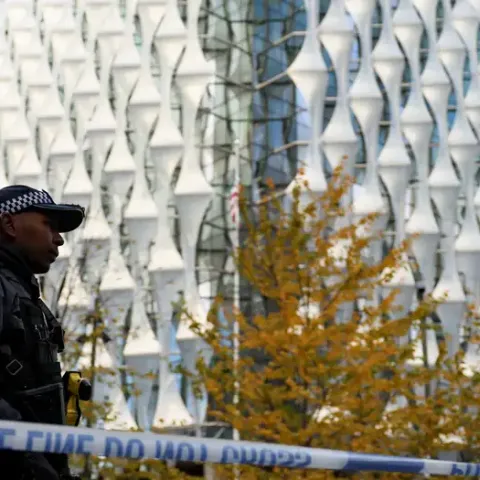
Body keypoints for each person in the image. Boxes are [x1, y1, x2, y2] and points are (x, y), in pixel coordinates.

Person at [0, 185, 86, 479]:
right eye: (49, 225)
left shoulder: (20, 290)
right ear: (9, 224)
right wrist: (36, 470)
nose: (59, 239)